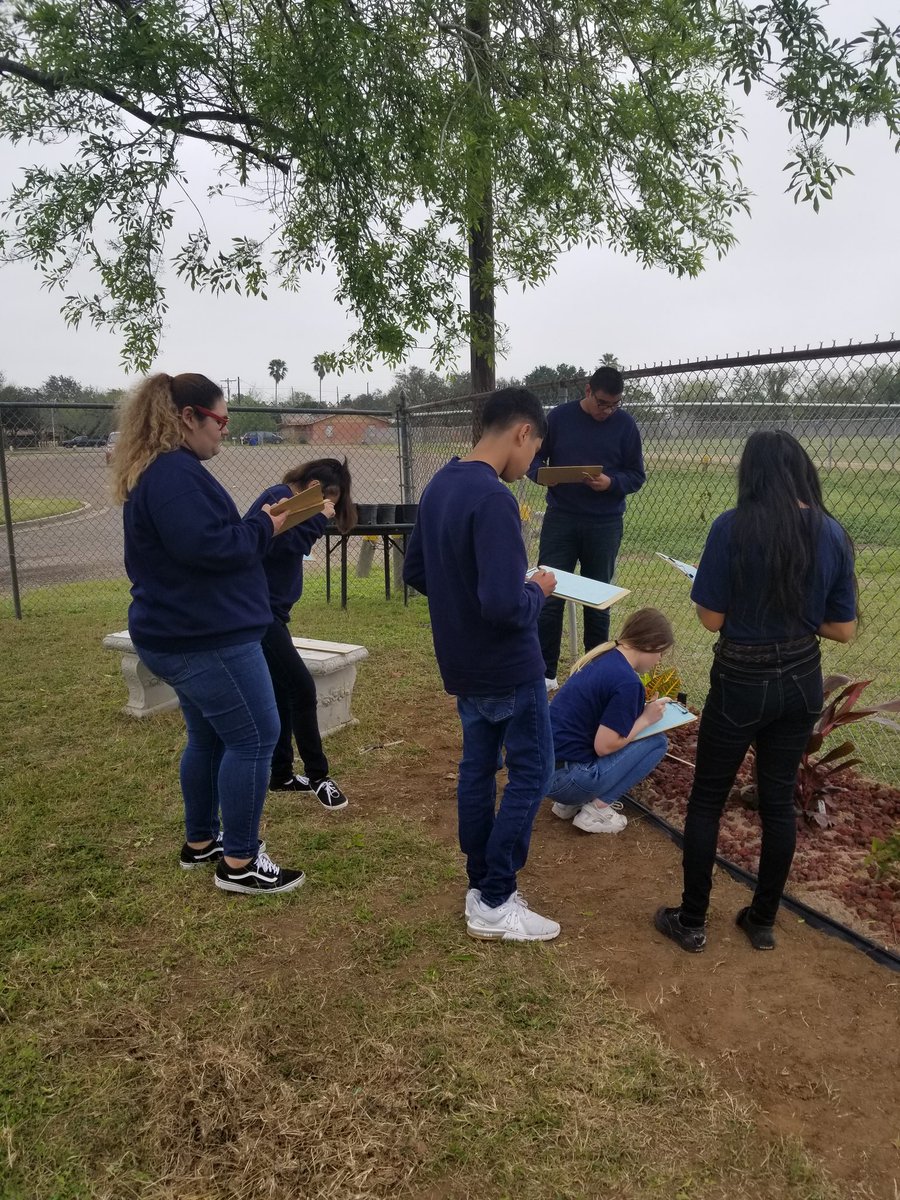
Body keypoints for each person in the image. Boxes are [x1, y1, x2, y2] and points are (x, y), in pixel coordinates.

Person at [654, 431, 858, 953]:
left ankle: (692, 920)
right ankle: (762, 920)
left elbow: (710, 619)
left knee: (707, 801)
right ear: (801, 471)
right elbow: (843, 629)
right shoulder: (832, 533)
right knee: (778, 804)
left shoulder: (731, 527)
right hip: (800, 682)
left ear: (752, 474)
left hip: (740, 681)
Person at [112, 372, 305, 895]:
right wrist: (265, 527)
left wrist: (257, 525)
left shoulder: (167, 471)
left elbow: (205, 542)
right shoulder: (175, 474)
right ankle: (239, 863)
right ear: (187, 417)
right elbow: (211, 550)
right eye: (219, 420)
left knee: (210, 736)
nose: (224, 431)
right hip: (205, 638)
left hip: (183, 630)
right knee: (257, 737)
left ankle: (203, 842)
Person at [403, 387, 561, 942]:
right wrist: (537, 589)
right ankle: (494, 897)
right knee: (532, 772)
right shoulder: (494, 499)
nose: (533, 463)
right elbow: (504, 604)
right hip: (508, 667)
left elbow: (417, 573)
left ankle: (481, 884)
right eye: (536, 449)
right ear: (523, 432)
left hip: (463, 664)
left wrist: (467, 597)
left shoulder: (441, 484)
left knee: (477, 768)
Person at [246, 459, 357, 810]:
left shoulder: (288, 501)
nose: (330, 505)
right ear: (311, 486)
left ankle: (280, 775)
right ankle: (319, 776)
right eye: (327, 497)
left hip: (269, 612)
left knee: (281, 691)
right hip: (257, 612)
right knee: (300, 686)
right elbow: (284, 544)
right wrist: (317, 518)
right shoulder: (282, 498)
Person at [528, 365, 646, 690]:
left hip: (604, 523)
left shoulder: (625, 426)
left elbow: (637, 475)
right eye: (603, 403)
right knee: (549, 595)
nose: (608, 411)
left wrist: (611, 482)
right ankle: (545, 674)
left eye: (615, 405)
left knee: (598, 599)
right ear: (588, 391)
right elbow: (534, 459)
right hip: (561, 519)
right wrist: (540, 474)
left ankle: (594, 675)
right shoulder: (559, 419)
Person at [546, 609, 673, 834]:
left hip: (544, 769)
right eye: (661, 652)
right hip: (567, 781)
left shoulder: (603, 657)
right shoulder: (628, 682)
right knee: (658, 742)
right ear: (651, 645)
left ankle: (568, 805)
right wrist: (645, 719)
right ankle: (596, 811)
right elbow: (604, 746)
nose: (659, 660)